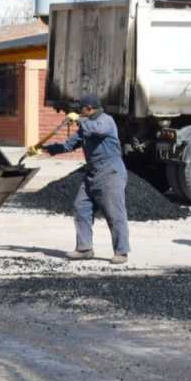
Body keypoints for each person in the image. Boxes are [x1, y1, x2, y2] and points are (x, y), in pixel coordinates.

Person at [28, 93, 130, 264]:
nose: (78, 112)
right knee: (81, 207)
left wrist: (79, 120)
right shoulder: (86, 125)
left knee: (114, 213)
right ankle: (84, 249)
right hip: (92, 173)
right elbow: (68, 145)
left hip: (110, 173)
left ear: (89, 108)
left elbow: (96, 129)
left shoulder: (106, 121)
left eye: (80, 109)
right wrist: (44, 149)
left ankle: (121, 252)